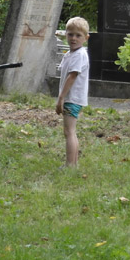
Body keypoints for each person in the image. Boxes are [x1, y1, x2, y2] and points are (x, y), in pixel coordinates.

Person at [56, 17, 90, 167]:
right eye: (70, 34)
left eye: (78, 35)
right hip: (71, 97)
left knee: (69, 131)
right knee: (69, 131)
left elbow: (72, 76)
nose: (74, 38)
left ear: (86, 38)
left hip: (72, 97)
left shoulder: (79, 55)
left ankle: (71, 164)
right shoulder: (70, 54)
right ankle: (73, 163)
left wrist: (61, 98)